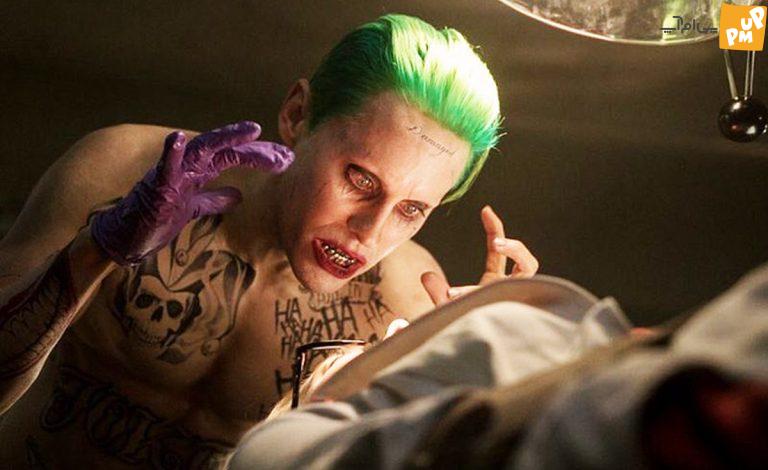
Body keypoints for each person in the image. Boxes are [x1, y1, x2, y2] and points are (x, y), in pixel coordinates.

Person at [0, 13, 539, 468]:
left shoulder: (406, 303)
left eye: (411, 209)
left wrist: (479, 390)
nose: (371, 232)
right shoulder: (122, 169)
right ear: (297, 115)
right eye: (360, 179)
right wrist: (96, 250)